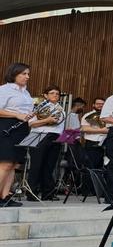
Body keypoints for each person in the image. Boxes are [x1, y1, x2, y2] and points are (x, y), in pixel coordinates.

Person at [0, 63, 33, 207]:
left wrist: (28, 116)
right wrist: (17, 114)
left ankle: (5, 196)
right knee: (5, 163)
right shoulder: (4, 89)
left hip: (22, 128)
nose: (27, 77)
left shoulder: (26, 92)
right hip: (6, 127)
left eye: (28, 74)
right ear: (14, 74)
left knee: (13, 164)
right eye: (24, 74)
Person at [26, 85, 65, 201]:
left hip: (55, 138)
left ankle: (47, 193)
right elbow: (31, 123)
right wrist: (47, 120)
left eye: (57, 94)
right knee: (36, 166)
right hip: (40, 136)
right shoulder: (39, 107)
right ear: (45, 95)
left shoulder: (60, 108)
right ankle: (32, 193)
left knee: (49, 167)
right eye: (52, 93)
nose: (55, 95)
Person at [81, 97, 108, 169]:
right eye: (98, 104)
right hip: (92, 144)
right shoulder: (87, 115)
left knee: (104, 167)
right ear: (93, 105)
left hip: (106, 144)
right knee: (92, 167)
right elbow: (84, 129)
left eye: (102, 104)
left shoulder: (109, 116)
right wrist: (102, 130)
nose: (100, 105)